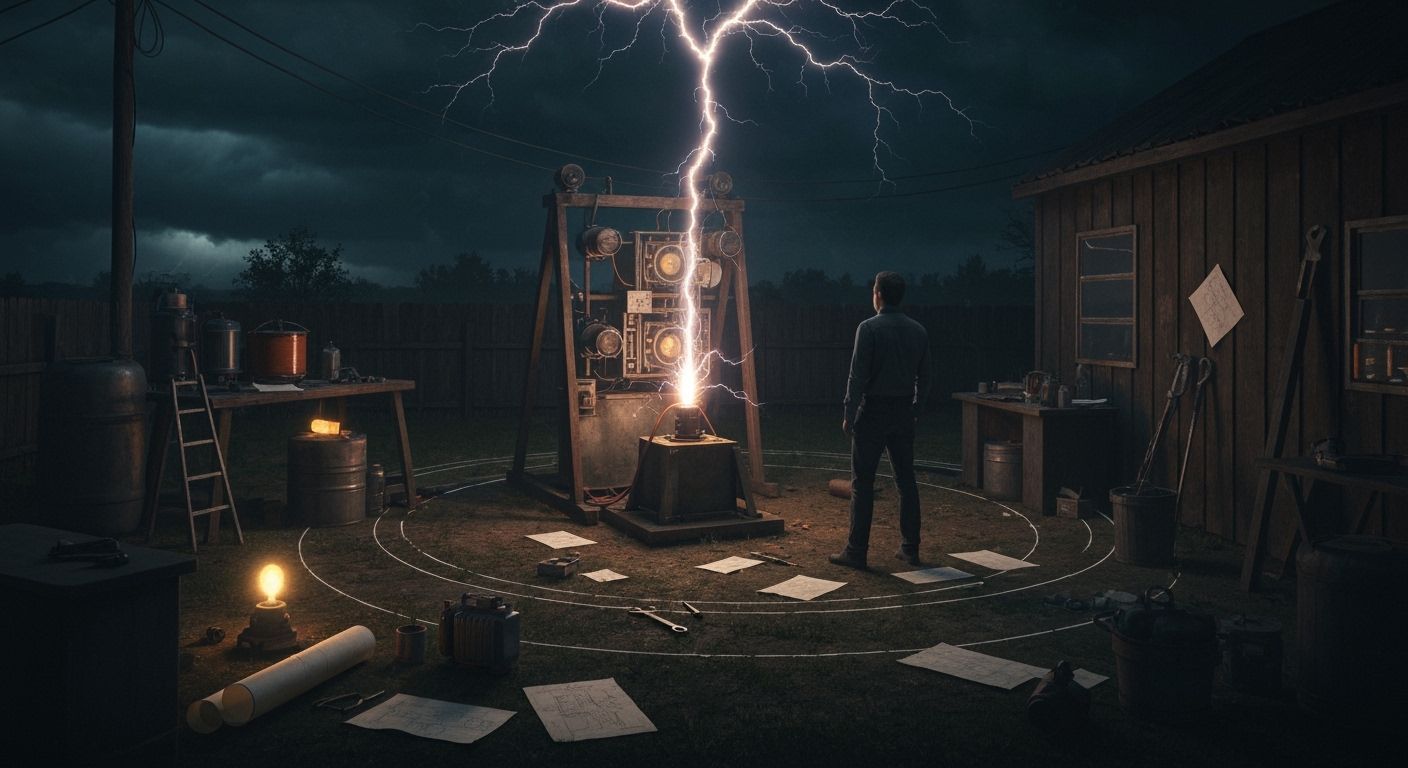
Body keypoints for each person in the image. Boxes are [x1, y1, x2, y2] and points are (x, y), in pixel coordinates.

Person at [830, 271, 931, 570]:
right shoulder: (918, 331)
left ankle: (856, 551)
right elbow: (925, 377)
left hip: (873, 411)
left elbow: (857, 375)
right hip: (902, 412)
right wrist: (916, 409)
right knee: (906, 481)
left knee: (862, 482)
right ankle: (910, 549)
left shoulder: (869, 328)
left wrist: (849, 414)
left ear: (878, 294)